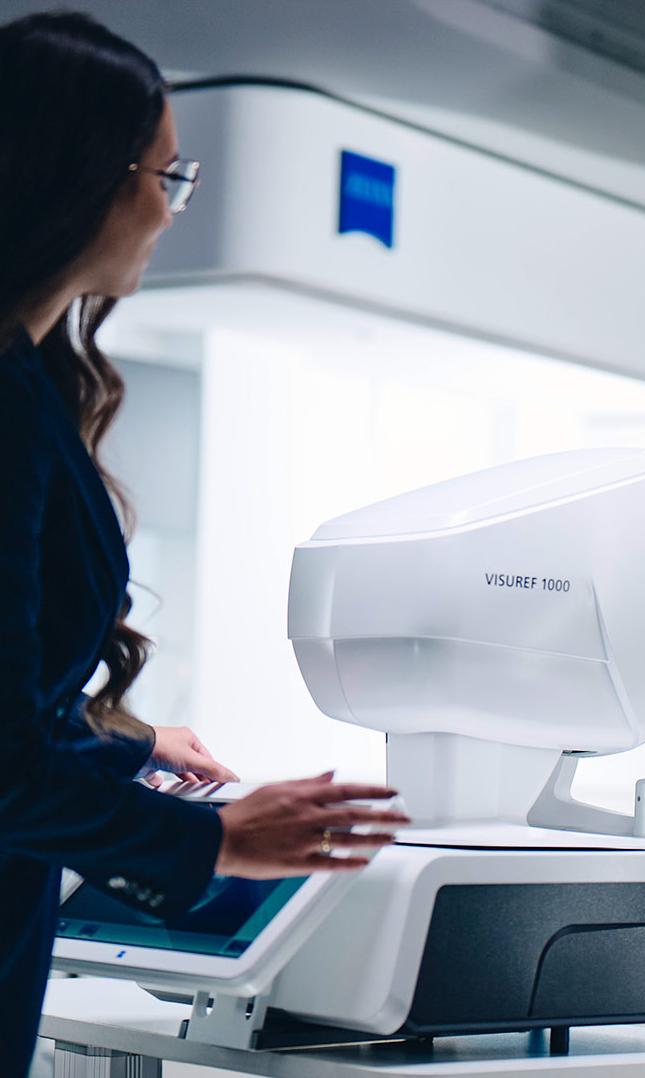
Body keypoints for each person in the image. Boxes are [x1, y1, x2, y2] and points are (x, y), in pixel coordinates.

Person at [0, 13, 408, 1076]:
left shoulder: (34, 389)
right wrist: (220, 838)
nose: (172, 208)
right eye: (167, 174)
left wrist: (132, 748)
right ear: (82, 172)